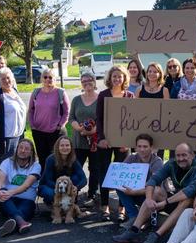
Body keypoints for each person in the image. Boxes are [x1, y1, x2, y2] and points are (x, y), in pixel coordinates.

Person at [113, 142, 196, 243]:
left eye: (184, 155)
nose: (181, 158)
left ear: (192, 155)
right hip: (175, 201)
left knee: (186, 199)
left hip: (193, 207)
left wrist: (164, 203)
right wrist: (148, 199)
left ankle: (156, 235)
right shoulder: (172, 163)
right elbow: (153, 180)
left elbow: (189, 191)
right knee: (156, 190)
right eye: (178, 155)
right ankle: (134, 230)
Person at [96, 65, 134, 221]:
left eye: (120, 76)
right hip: (106, 141)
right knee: (104, 172)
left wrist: (128, 142)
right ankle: (104, 205)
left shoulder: (130, 96)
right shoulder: (103, 95)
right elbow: (99, 119)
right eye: (114, 76)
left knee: (123, 176)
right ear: (110, 78)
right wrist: (101, 139)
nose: (117, 79)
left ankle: (122, 207)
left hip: (123, 142)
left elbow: (133, 121)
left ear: (125, 78)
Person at [0, 139, 41, 237]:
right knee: (2, 192)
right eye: (21, 147)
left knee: (22, 210)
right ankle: (21, 222)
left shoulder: (36, 166)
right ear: (17, 149)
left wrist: (11, 192)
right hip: (7, 200)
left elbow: (26, 185)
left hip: (27, 201)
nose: (23, 150)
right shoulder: (7, 162)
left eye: (27, 149)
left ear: (32, 152)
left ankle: (12, 224)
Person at [28, 67, 70, 170]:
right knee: (42, 159)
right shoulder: (36, 92)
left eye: (50, 77)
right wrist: (33, 125)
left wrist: (61, 125)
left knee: (56, 159)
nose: (48, 79)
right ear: (42, 78)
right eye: (45, 77)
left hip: (55, 132)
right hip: (38, 132)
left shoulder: (60, 92)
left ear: (54, 79)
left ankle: (56, 181)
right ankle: (43, 182)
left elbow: (67, 112)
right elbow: (30, 110)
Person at [69, 72, 100, 207]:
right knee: (76, 167)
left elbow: (104, 118)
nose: (87, 83)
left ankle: (92, 195)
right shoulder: (76, 99)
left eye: (89, 80)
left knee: (94, 168)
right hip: (78, 140)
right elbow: (71, 118)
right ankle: (74, 193)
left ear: (94, 81)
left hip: (95, 141)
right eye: (84, 81)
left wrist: (93, 130)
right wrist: (80, 129)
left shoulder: (101, 99)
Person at [38, 136, 87, 205]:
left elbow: (83, 179)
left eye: (67, 145)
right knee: (50, 194)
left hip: (65, 186)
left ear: (71, 147)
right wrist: (62, 189)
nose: (65, 148)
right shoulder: (51, 159)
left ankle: (69, 201)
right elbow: (48, 180)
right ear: (57, 147)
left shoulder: (74, 159)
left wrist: (76, 187)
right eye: (62, 145)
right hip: (49, 185)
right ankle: (50, 202)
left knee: (76, 178)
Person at [0, 67, 26, 164]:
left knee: (18, 165)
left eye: (8, 77)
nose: (6, 81)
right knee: (6, 166)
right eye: (3, 79)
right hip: (7, 139)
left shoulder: (14, 91)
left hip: (19, 135)